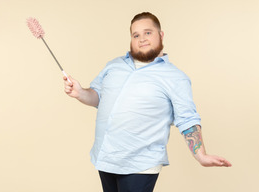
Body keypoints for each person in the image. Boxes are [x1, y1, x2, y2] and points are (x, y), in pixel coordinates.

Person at [63, 12, 232, 192]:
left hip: (140, 163)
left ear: (161, 35)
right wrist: (80, 93)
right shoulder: (113, 65)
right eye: (136, 35)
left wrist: (201, 155)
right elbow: (98, 97)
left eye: (148, 33)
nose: (141, 39)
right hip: (106, 158)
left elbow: (187, 119)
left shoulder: (176, 78)